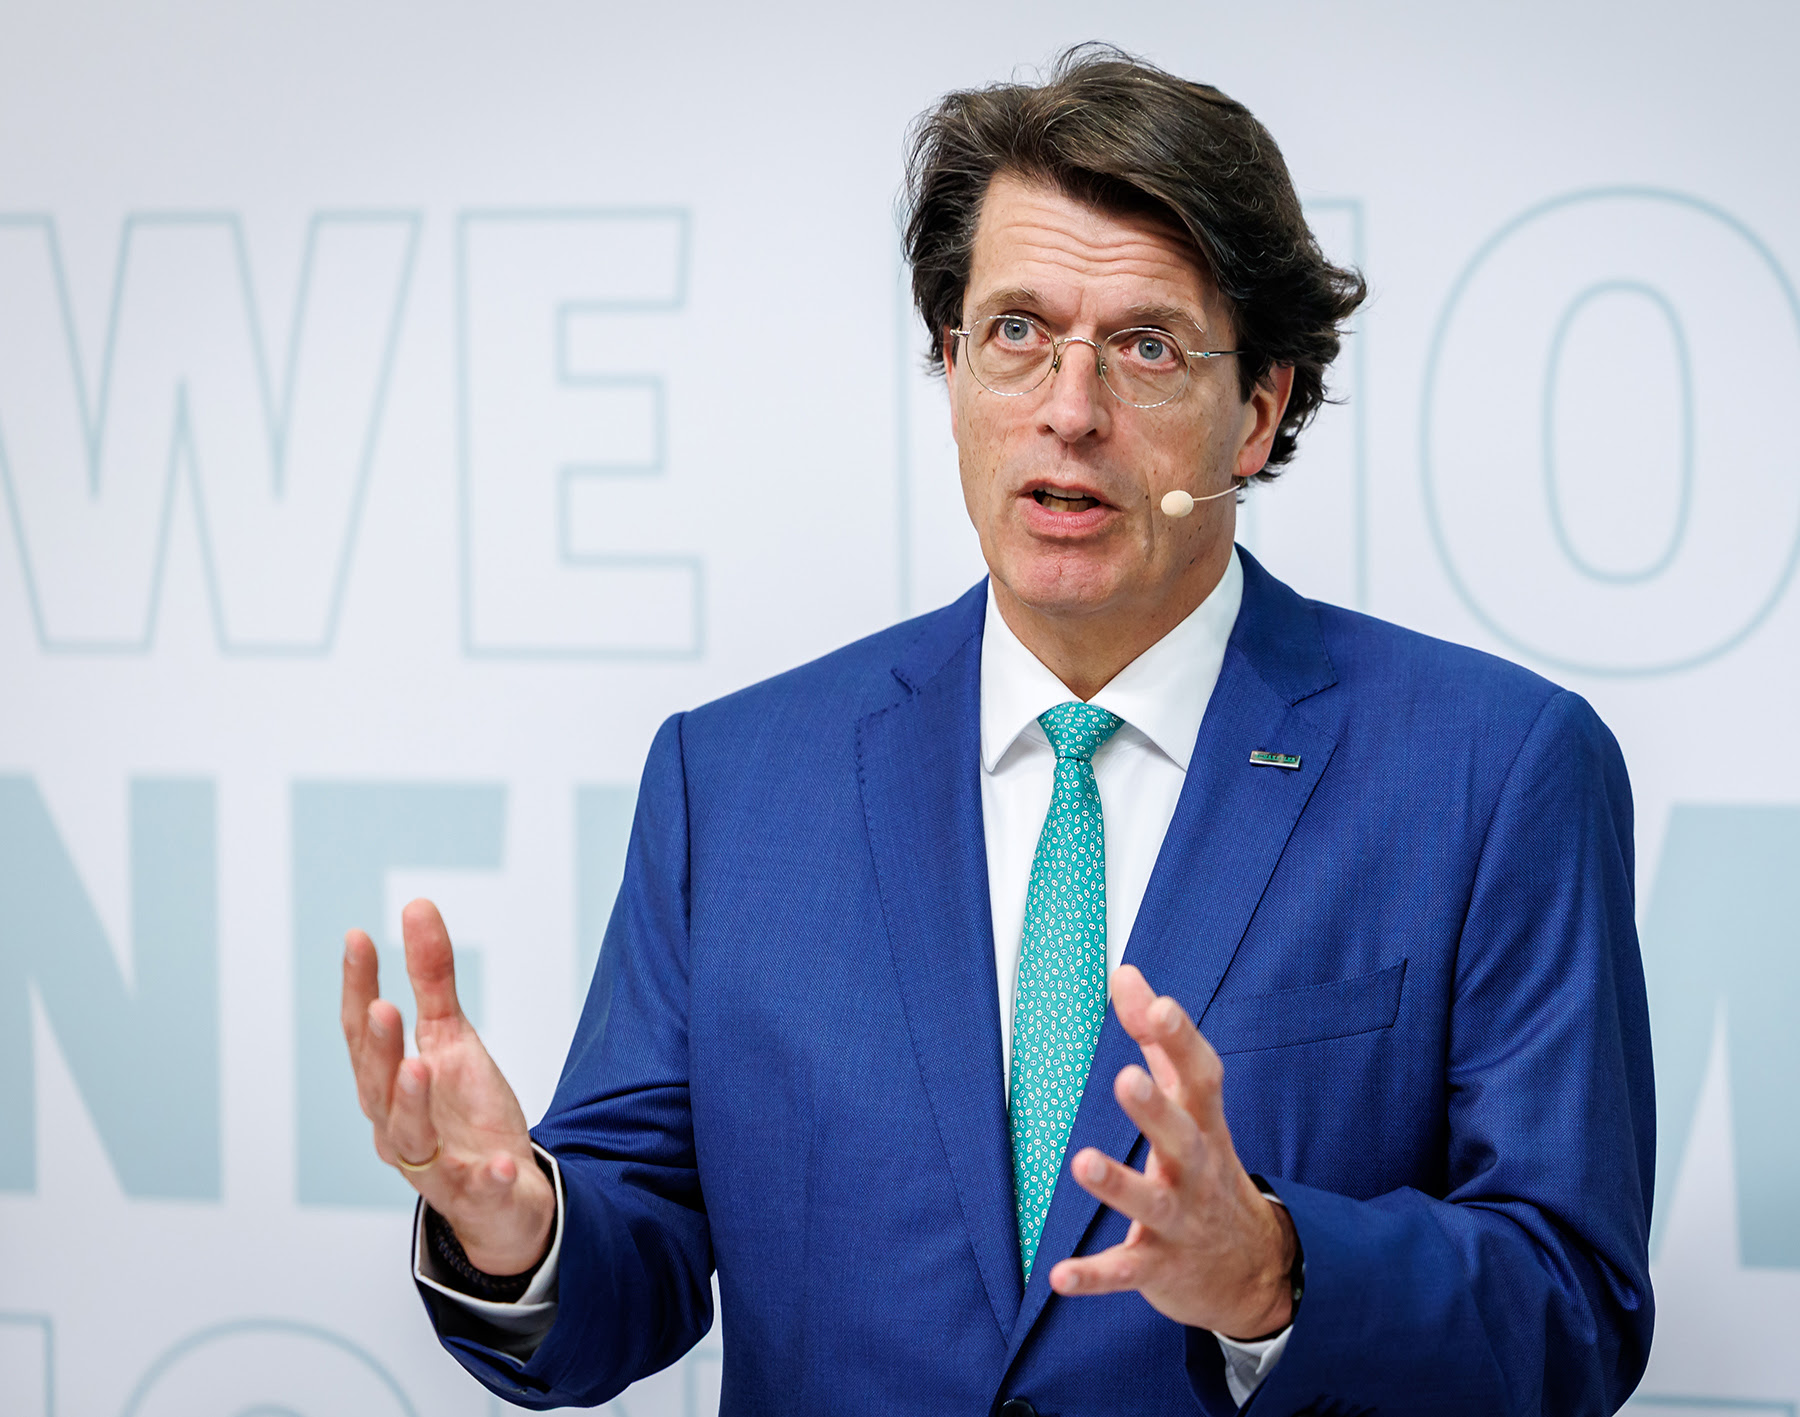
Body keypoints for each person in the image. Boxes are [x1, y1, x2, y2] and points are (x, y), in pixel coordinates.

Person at [339, 45, 1655, 1417]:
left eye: (1146, 347)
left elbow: (1571, 1306)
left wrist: (1276, 1269)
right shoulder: (730, 784)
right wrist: (521, 1228)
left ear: (1257, 413)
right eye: (1017, 331)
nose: (1068, 412)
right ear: (954, 364)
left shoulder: (1493, 773)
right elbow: (640, 1246)